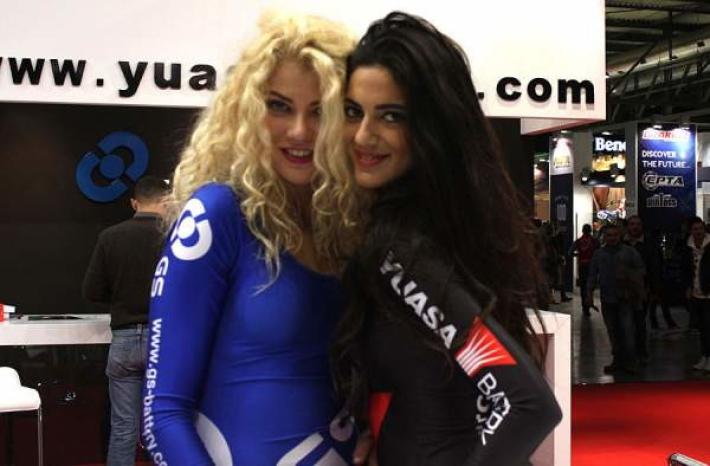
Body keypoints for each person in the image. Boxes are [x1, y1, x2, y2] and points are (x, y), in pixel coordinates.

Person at [332, 12, 561, 465]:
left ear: (429, 129)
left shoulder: (399, 250)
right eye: (353, 112)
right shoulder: (435, 229)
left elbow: (526, 405)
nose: (363, 135)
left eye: (391, 116)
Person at [141, 14, 364, 465]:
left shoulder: (353, 226)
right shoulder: (219, 214)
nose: (299, 131)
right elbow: (162, 415)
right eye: (279, 106)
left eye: (320, 110)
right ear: (247, 110)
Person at [82, 176, 169, 466]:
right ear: (167, 202)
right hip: (165, 342)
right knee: (168, 425)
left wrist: (121, 294)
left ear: (134, 203)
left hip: (123, 341)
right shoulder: (176, 237)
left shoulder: (110, 236)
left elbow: (92, 291)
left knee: (123, 428)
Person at [586, 224, 645, 374]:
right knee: (612, 331)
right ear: (604, 237)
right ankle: (618, 360)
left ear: (620, 236)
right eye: (609, 235)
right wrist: (589, 294)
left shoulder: (629, 252)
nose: (612, 238)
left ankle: (631, 361)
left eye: (614, 235)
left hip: (626, 297)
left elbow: (641, 270)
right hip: (607, 298)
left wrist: (631, 279)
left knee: (627, 330)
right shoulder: (599, 254)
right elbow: (592, 274)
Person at [623, 215, 670, 361]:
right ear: (628, 226)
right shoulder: (621, 244)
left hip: (642, 290)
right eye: (632, 224)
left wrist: (655, 289)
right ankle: (625, 354)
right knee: (624, 323)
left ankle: (640, 352)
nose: (635, 227)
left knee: (639, 321)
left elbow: (656, 267)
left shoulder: (650, 245)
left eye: (637, 224)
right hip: (622, 290)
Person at [681, 217, 710, 372]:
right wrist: (688, 287)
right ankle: (704, 356)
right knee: (702, 328)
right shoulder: (688, 247)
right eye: (695, 229)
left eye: (700, 229)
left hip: (708, 293)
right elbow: (686, 269)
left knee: (708, 326)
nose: (698, 232)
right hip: (696, 293)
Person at [569, 224, 600, 316]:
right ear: (590, 231)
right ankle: (589, 303)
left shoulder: (578, 241)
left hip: (582, 266)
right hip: (592, 266)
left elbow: (570, 252)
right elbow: (599, 252)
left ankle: (585, 307)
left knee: (583, 288)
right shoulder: (594, 241)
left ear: (582, 231)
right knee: (590, 287)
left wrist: (578, 255)